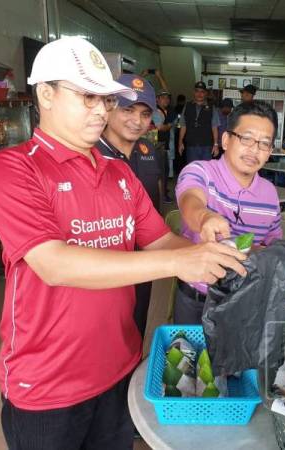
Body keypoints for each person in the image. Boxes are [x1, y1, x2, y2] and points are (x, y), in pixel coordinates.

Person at [0, 37, 246, 450]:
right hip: (48, 382)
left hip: (118, 367)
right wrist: (181, 263)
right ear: (46, 94)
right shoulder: (14, 169)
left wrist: (211, 252)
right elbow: (54, 264)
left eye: (104, 99)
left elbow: (159, 241)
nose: (100, 110)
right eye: (87, 96)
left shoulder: (119, 175)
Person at [174, 100, 283, 324]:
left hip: (243, 301)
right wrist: (204, 217)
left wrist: (263, 252)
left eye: (264, 144)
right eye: (246, 138)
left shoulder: (270, 194)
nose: (254, 150)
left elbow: (271, 245)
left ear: (270, 151)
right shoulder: (200, 171)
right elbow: (190, 199)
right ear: (225, 140)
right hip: (197, 298)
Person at [94, 74, 161, 340]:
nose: (137, 121)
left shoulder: (149, 150)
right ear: (108, 107)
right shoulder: (91, 155)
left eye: (145, 114)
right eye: (128, 109)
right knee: (107, 337)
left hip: (145, 257)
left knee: (136, 328)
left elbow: (155, 202)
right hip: (106, 263)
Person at [178, 81, 220, 163]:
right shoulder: (187, 106)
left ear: (206, 94)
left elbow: (214, 127)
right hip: (191, 145)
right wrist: (180, 142)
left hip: (207, 146)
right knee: (193, 169)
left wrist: (216, 145)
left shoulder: (212, 108)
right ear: (194, 92)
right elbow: (183, 125)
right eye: (197, 91)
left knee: (206, 170)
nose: (199, 94)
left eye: (202, 92)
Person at [152, 88, 175, 203]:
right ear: (157, 99)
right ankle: (162, 196)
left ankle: (163, 192)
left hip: (164, 146)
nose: (166, 100)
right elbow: (160, 127)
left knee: (164, 171)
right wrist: (170, 125)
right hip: (158, 147)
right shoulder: (156, 111)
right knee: (161, 172)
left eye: (167, 98)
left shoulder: (165, 111)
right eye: (163, 98)